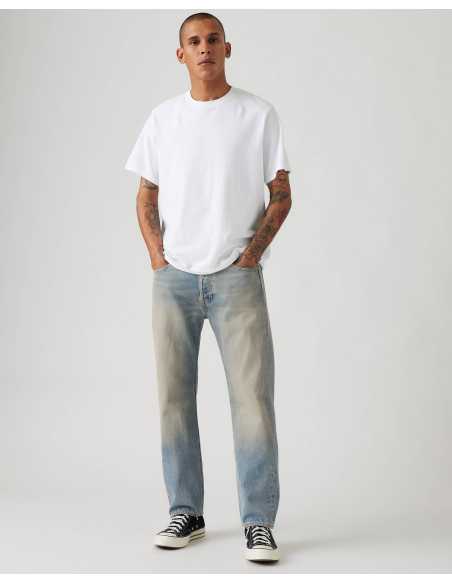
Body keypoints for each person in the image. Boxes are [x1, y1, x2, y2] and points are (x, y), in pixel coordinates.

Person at [124, 12, 292, 563]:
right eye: (193, 42)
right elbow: (146, 193)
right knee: (174, 399)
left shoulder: (257, 114)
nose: (204, 49)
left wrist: (250, 257)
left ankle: (258, 522)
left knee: (252, 403)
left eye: (212, 39)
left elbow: (281, 193)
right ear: (181, 54)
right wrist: (157, 257)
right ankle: (186, 512)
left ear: (227, 48)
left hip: (236, 278)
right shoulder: (163, 118)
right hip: (173, 279)